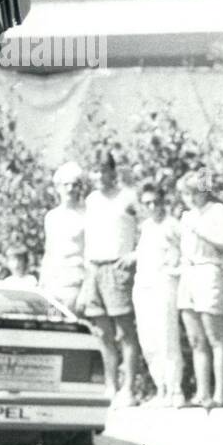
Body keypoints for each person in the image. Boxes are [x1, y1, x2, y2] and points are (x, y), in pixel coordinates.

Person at [77, 151, 141, 406]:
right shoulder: (91, 200)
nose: (101, 175)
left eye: (106, 170)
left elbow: (150, 224)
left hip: (118, 268)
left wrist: (136, 253)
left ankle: (129, 389)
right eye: (97, 171)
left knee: (125, 332)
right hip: (94, 269)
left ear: (114, 172)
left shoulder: (128, 197)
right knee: (102, 333)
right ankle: (110, 385)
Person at [177, 172, 223, 408]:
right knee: (195, 339)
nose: (189, 198)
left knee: (215, 337)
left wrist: (203, 234)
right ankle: (202, 393)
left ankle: (220, 395)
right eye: (185, 193)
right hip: (187, 274)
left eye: (193, 192)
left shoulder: (217, 211)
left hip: (209, 271)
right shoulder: (186, 216)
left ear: (204, 191)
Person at [129, 185, 184, 404]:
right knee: (148, 339)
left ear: (163, 201)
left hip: (164, 285)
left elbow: (186, 252)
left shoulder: (173, 225)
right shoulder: (146, 226)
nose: (152, 207)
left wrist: (174, 270)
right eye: (147, 203)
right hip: (143, 286)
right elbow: (145, 254)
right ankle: (160, 388)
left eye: (156, 202)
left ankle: (175, 390)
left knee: (166, 337)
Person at [39, 161, 85, 311]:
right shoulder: (51, 217)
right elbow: (49, 251)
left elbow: (90, 255)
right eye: (65, 184)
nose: (70, 189)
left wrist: (86, 290)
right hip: (53, 282)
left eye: (75, 184)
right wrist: (42, 283)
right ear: (58, 188)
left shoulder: (87, 215)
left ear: (80, 188)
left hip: (76, 283)